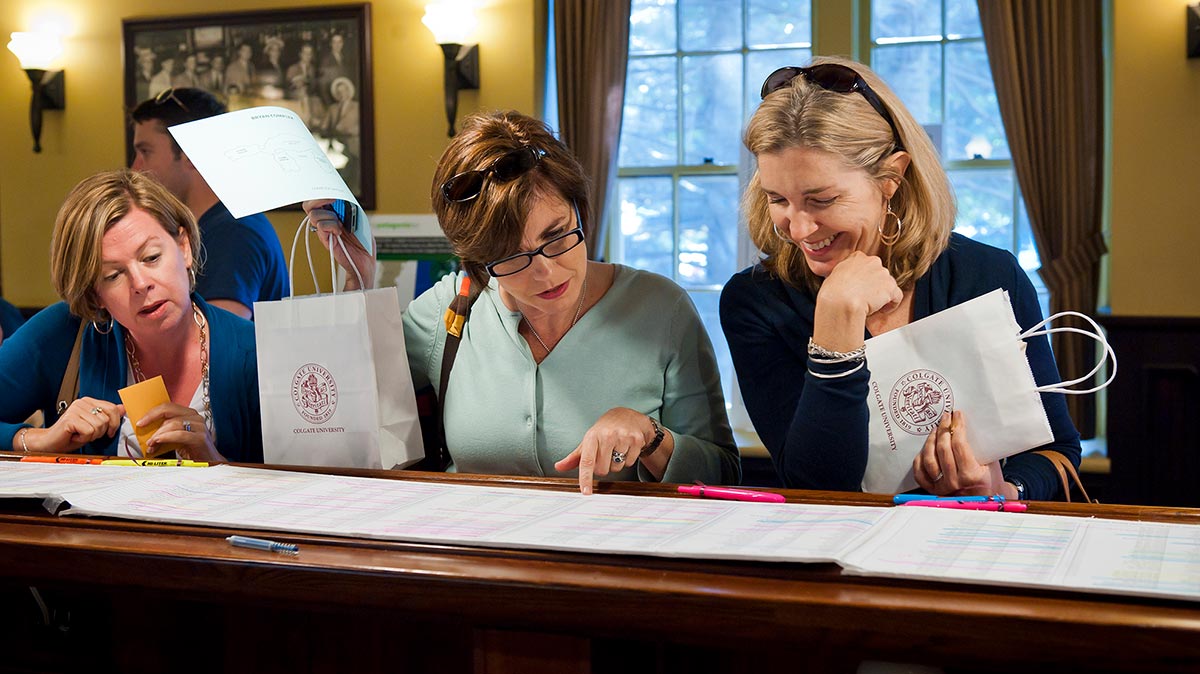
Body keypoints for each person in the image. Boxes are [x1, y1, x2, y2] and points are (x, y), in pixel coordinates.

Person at [305, 111, 740, 494]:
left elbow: (724, 473)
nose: (546, 272)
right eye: (512, 256)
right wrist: (356, 278)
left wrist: (650, 436)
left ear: (579, 209)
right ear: (477, 260)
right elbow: (340, 401)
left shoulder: (661, 310)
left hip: (613, 571)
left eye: (557, 236)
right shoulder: (450, 311)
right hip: (471, 565)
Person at [720, 57, 1080, 501]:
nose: (797, 229)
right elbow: (816, 488)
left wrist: (1003, 487)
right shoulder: (755, 300)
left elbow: (1057, 449)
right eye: (777, 199)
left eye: (822, 199)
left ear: (892, 177)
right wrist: (835, 330)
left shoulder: (989, 273)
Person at [0, 170, 263, 461]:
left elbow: (302, 484)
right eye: (113, 275)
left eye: (151, 257)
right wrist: (38, 439)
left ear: (183, 247)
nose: (140, 284)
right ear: (94, 293)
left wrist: (216, 463)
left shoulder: (256, 352)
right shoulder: (63, 332)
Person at [130, 87, 288, 319]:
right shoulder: (210, 227)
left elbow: (217, 345)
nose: (136, 167)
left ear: (192, 155)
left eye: (145, 151)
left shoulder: (234, 233)